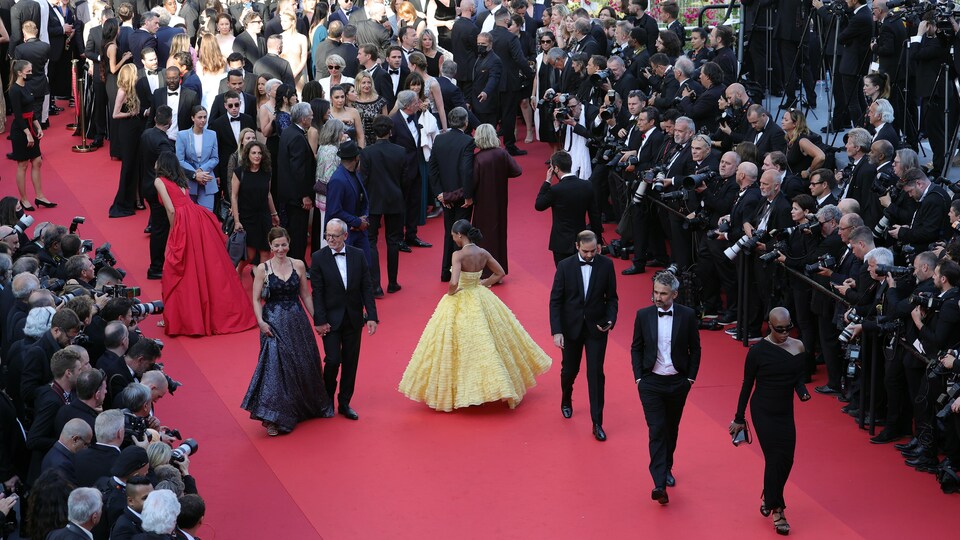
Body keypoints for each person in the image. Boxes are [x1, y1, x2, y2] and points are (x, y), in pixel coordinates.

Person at [399, 220, 551, 410]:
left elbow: (454, 282)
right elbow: (500, 273)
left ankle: (457, 391)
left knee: (455, 344)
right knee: (491, 341)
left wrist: (451, 293)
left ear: (460, 235)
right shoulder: (483, 252)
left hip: (462, 297)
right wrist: (482, 284)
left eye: (453, 235)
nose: (452, 238)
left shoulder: (458, 255)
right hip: (480, 296)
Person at [242, 227, 334, 436]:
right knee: (275, 368)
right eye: (276, 245)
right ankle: (275, 418)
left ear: (289, 244)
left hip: (297, 321)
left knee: (302, 364)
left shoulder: (299, 265)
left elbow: (306, 296)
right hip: (272, 323)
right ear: (271, 246)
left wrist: (317, 321)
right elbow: (256, 299)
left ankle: (300, 408)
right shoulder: (263, 269)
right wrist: (261, 323)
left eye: (284, 244)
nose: (280, 249)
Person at [153, 151, 256, 336]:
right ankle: (187, 316)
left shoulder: (159, 181)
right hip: (197, 218)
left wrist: (172, 232)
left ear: (161, 164)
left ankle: (177, 318)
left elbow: (171, 209)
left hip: (182, 223)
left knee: (176, 269)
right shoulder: (181, 179)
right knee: (199, 267)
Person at [730, 307, 811, 536]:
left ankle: (769, 493)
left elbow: (796, 376)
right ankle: (778, 509)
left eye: (788, 328)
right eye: (779, 329)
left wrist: (802, 391)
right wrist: (739, 417)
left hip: (785, 411)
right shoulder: (758, 352)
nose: (785, 333)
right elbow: (747, 384)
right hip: (763, 411)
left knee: (787, 459)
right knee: (774, 458)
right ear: (769, 326)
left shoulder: (798, 346)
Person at [630, 270, 701, 505]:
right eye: (655, 293)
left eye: (663, 294)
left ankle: (667, 467)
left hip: (678, 382)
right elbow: (636, 348)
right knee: (657, 429)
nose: (658, 298)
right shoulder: (643, 315)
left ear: (675, 294)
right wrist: (639, 378)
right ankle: (659, 483)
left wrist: (689, 379)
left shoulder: (688, 316)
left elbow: (695, 349)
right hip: (651, 383)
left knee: (671, 428)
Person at [549, 230, 618, 441]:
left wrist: (610, 320)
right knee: (570, 370)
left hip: (597, 329)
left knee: (596, 373)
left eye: (594, 251)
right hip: (571, 328)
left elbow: (612, 298)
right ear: (577, 246)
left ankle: (597, 422)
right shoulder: (565, 266)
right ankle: (566, 397)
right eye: (586, 251)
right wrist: (557, 331)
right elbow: (556, 301)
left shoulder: (606, 265)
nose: (590, 255)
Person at [311, 218, 379, 421]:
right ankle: (327, 398)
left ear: (345, 236)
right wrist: (320, 320)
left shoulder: (358, 256)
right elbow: (318, 293)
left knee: (351, 362)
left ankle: (345, 402)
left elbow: (367, 286)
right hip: (330, 320)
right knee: (333, 360)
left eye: (334, 236)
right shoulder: (318, 257)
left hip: (353, 317)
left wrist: (372, 316)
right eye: (327, 235)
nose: (330, 239)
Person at [358, 115, 406, 297]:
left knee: (371, 241)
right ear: (390, 131)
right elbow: (405, 178)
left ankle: (375, 285)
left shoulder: (367, 153)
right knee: (393, 240)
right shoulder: (400, 151)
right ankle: (392, 282)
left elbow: (363, 179)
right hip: (395, 199)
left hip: (373, 201)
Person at [429, 108, 476, 282]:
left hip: (445, 196)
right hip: (461, 196)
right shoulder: (468, 141)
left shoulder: (440, 139)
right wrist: (468, 195)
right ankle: (460, 272)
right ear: (465, 122)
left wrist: (440, 194)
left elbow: (432, 168)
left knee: (449, 232)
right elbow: (466, 170)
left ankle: (446, 271)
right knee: (462, 233)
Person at [535, 151, 602, 265]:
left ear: (556, 168)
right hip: (582, 241)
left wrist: (547, 181)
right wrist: (598, 240)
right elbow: (594, 215)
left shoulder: (555, 190)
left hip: (561, 243)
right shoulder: (587, 185)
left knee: (564, 278)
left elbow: (539, 205)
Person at [471, 122, 522, 276]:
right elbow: (517, 171)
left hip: (483, 202)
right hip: (500, 201)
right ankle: (499, 270)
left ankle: (486, 272)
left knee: (483, 237)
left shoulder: (478, 158)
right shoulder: (502, 154)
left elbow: (473, 183)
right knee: (499, 234)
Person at [9, 59, 53, 211]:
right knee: (22, 165)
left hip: (30, 127)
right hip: (20, 130)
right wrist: (27, 133)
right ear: (19, 73)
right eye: (28, 71)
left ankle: (39, 196)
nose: (31, 73)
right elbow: (18, 115)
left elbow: (30, 110)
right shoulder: (14, 90)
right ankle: (24, 199)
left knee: (37, 161)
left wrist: (38, 126)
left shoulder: (26, 86)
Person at [232, 139, 279, 273]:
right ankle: (238, 272)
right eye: (254, 153)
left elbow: (268, 194)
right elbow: (234, 197)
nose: (257, 156)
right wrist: (237, 220)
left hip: (263, 215)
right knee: (250, 254)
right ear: (248, 155)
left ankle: (262, 283)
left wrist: (274, 214)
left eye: (259, 153)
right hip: (247, 216)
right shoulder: (239, 172)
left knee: (265, 252)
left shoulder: (267, 172)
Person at [279, 103, 318, 261]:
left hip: (289, 194)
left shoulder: (289, 132)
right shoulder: (297, 137)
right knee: (298, 234)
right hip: (297, 197)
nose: (312, 118)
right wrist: (305, 196)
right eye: (310, 116)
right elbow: (299, 171)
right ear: (303, 119)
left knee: (294, 232)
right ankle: (298, 265)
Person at [175, 106, 220, 211]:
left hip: (207, 180)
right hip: (189, 181)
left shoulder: (212, 134)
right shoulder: (182, 135)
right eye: (200, 117)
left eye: (205, 117)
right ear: (192, 118)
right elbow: (179, 160)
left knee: (207, 214)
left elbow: (215, 158)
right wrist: (195, 174)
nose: (203, 120)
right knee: (190, 216)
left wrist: (201, 170)